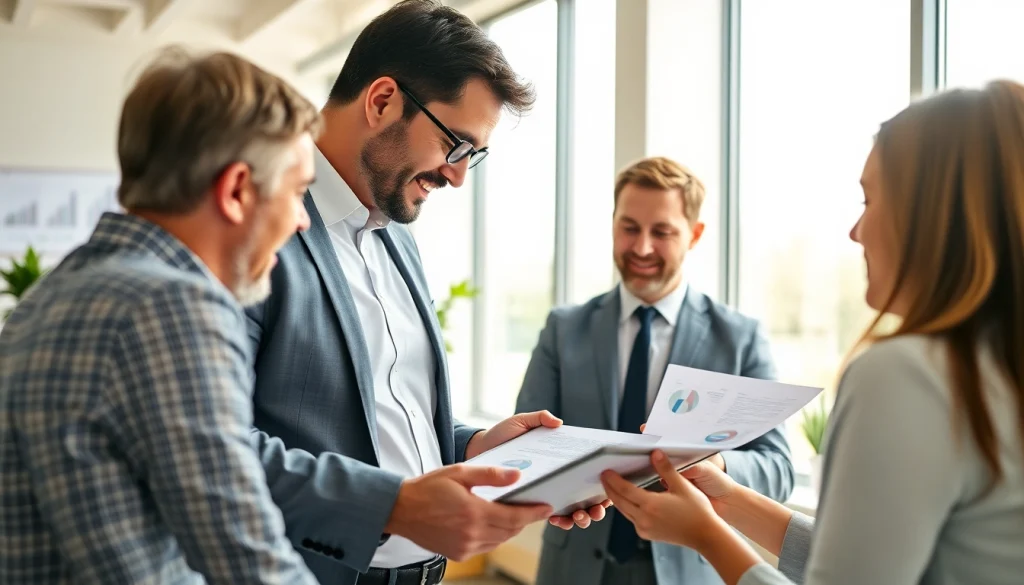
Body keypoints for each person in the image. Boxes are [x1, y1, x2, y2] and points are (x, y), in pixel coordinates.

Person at [600, 80, 1024, 585]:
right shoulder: (996, 362)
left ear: (931, 216)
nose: (856, 231)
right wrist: (729, 500)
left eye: (869, 201)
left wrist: (708, 536)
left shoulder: (904, 375)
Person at [244, 3, 604, 585]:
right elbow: (211, 444)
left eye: (474, 157)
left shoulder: (397, 237)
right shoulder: (253, 228)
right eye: (455, 146)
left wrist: (475, 447)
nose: (459, 175)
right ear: (382, 100)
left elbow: (386, 422)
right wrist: (393, 508)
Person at [0, 48, 323, 584]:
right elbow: (249, 560)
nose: (301, 223)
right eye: (298, 193)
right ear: (237, 190)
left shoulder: (42, 303)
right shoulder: (173, 307)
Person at [515, 156, 794, 585]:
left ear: (694, 235)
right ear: (612, 224)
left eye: (662, 232)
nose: (642, 247)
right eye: (629, 227)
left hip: (690, 568)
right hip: (576, 565)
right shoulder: (563, 329)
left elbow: (777, 468)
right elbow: (524, 446)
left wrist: (716, 466)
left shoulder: (740, 339)